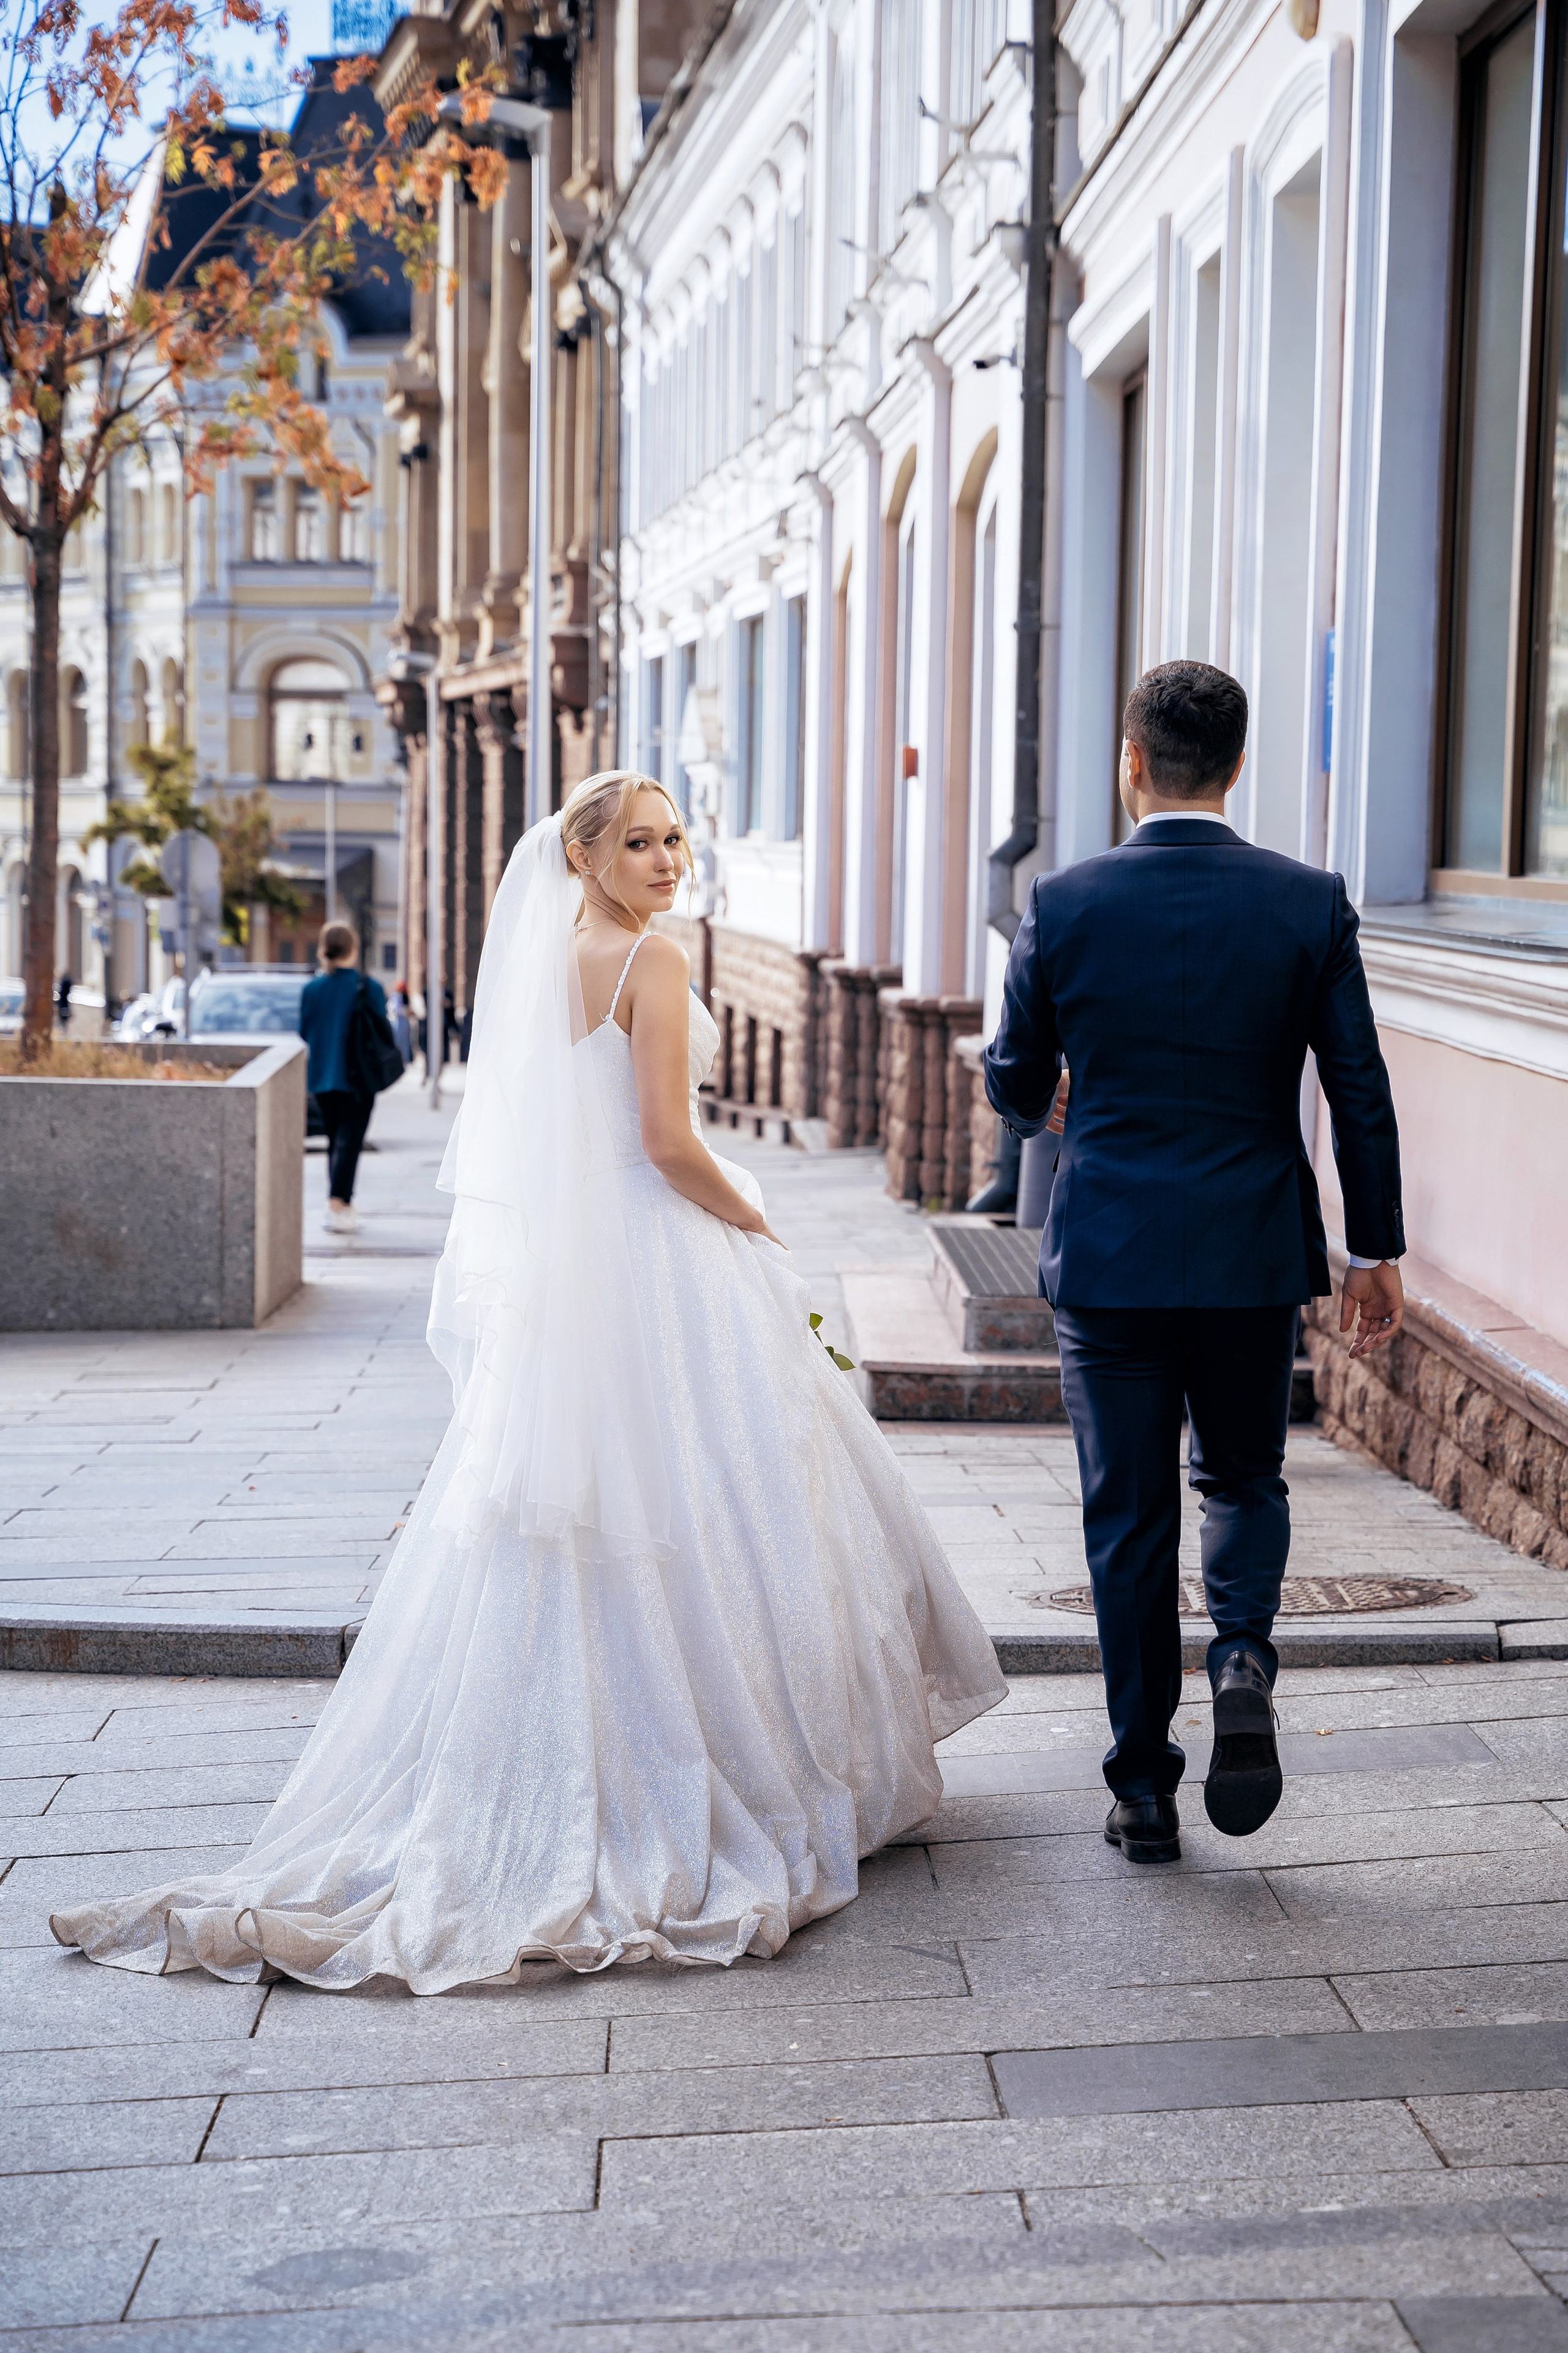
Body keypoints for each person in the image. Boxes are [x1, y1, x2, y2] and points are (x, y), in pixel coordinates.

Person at [51, 772, 1005, 1992]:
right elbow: (667, 1142)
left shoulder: (548, 958)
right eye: (642, 844)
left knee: (593, 1511)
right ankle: (709, 1768)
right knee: (715, 1496)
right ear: (587, 855)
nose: (669, 861)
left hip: (577, 1269)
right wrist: (755, 1216)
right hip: (659, 1251)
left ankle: (564, 1759)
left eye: (677, 840)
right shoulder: (648, 965)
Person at [985, 661, 1404, 1866]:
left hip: (1110, 1253)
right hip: (1248, 1247)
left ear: (1131, 762)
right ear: (1232, 767)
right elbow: (1356, 1084)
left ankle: (1139, 1790)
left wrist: (1031, 1094)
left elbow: (1016, 1075)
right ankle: (1240, 1655)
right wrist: (1371, 1246)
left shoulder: (1061, 905)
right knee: (1244, 1478)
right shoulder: (1304, 901)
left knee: (1125, 1518)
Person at [298, 920, 386, 1234]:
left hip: (322, 1077)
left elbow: (304, 1031)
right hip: (358, 1078)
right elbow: (381, 1030)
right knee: (349, 1142)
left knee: (337, 1141)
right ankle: (337, 1204)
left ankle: (342, 1203)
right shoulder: (369, 988)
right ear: (353, 949)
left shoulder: (312, 990)